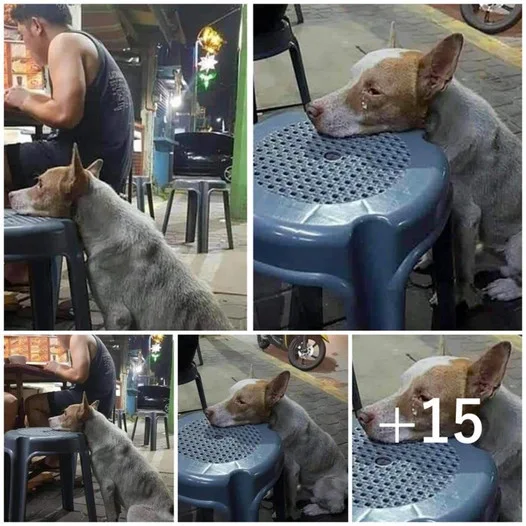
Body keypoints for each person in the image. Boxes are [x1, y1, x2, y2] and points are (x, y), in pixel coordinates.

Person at [5, 4, 134, 194]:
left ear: (36, 25)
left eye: (22, 35)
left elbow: (65, 114)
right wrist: (27, 96)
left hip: (83, 167)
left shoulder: (64, 42)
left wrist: (24, 100)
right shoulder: (85, 42)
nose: (25, 44)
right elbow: (65, 105)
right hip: (104, 167)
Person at [25, 335, 116, 428]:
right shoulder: (88, 338)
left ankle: (50, 441)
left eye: (58, 336)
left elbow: (78, 375)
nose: (57, 339)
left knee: (32, 403)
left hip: (89, 402)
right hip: (102, 402)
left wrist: (56, 368)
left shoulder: (77, 337)